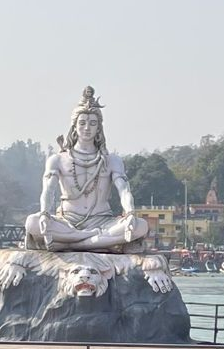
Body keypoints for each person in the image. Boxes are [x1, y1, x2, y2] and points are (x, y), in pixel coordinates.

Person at [24, 86, 149, 253]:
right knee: (32, 222)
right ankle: (98, 242)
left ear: (99, 128)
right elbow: (48, 190)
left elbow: (124, 190)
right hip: (68, 221)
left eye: (92, 123)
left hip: (102, 222)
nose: (87, 128)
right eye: (82, 123)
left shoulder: (112, 160)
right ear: (74, 127)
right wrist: (45, 214)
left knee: (140, 226)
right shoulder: (58, 159)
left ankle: (72, 244)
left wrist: (130, 212)